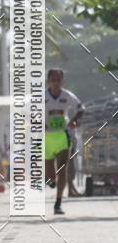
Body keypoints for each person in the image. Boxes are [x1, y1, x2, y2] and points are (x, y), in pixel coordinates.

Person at [45, 68, 85, 214]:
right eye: (53, 80)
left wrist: (74, 120)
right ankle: (50, 180)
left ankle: (58, 203)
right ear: (47, 81)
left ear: (62, 81)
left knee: (62, 170)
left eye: (58, 80)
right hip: (47, 137)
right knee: (50, 174)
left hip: (63, 135)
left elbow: (81, 109)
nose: (55, 83)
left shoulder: (67, 95)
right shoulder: (41, 97)